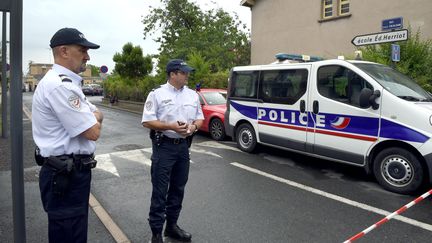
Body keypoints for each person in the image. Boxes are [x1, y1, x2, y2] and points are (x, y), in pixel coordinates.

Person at [32, 27, 103, 243]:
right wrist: (94, 116)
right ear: (64, 51)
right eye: (82, 50)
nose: (87, 56)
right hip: (65, 175)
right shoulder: (60, 86)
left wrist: (94, 115)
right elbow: (93, 131)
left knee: (73, 232)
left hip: (70, 173)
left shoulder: (68, 84)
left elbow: (98, 113)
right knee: (69, 235)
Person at [142, 59, 204, 243]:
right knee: (160, 191)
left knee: (178, 189)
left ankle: (172, 227)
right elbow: (147, 121)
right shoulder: (157, 94)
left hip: (183, 147)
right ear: (172, 74)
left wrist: (193, 128)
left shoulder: (192, 95)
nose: (187, 75)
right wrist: (170, 126)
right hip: (164, 147)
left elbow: (199, 119)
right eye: (184, 72)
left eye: (187, 72)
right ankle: (156, 233)